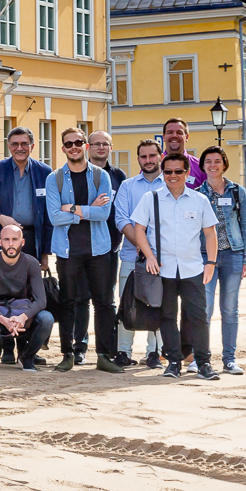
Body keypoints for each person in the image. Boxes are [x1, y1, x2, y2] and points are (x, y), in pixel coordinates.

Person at [125, 153, 220, 381]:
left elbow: (210, 233)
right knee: (167, 317)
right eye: (168, 172)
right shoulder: (152, 198)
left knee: (198, 317)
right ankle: (174, 362)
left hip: (193, 269)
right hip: (163, 270)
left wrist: (211, 263)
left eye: (178, 171)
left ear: (187, 173)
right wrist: (149, 256)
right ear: (163, 173)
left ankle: (204, 362)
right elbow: (139, 229)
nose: (173, 176)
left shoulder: (199, 200)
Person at [45, 127, 121, 374]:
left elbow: (104, 213)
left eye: (79, 142)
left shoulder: (101, 176)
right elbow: (54, 217)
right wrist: (87, 210)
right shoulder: (54, 178)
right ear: (63, 148)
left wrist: (73, 208)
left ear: (85, 145)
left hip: (99, 249)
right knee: (68, 302)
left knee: (104, 303)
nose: (74, 147)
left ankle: (104, 355)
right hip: (68, 251)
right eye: (69, 144)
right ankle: (68, 354)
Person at [197, 146, 246, 375]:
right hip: (205, 257)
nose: (212, 165)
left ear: (224, 164)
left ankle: (229, 358)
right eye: (208, 161)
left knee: (230, 309)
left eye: (217, 161)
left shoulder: (237, 192)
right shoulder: (197, 194)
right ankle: (201, 358)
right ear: (202, 166)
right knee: (204, 308)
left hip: (233, 255)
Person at [113, 139, 165, 368]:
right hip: (130, 255)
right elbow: (121, 219)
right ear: (138, 159)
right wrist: (143, 246)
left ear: (160, 156)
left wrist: (153, 249)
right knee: (127, 302)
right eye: (143, 157)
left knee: (160, 303)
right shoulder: (128, 186)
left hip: (164, 257)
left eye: (152, 156)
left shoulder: (170, 184)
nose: (148, 161)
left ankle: (155, 352)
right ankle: (123, 352)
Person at [77, 130, 126, 365]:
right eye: (95, 144)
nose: (100, 148)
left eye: (105, 144)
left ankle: (107, 350)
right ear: (88, 147)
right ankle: (80, 347)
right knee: (81, 299)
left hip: (110, 247)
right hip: (81, 245)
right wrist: (90, 208)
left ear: (111, 147)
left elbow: (120, 210)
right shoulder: (77, 173)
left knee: (106, 301)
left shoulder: (119, 176)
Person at [0, 223, 53, 371]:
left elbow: (41, 300)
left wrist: (23, 317)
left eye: (15, 239)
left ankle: (27, 356)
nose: (11, 244)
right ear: (0, 242)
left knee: (47, 318)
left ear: (22, 242)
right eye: (6, 239)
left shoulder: (31, 263)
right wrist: (3, 320)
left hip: (22, 314)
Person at [0, 126, 53, 268]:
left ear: (32, 146)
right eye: (15, 144)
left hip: (32, 240)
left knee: (28, 287)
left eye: (24, 144)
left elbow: (48, 215)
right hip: (2, 239)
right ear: (9, 146)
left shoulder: (44, 172)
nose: (19, 148)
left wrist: (45, 253)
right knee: (1, 286)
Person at [160, 117, 205, 188]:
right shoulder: (153, 166)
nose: (174, 135)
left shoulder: (200, 167)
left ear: (186, 137)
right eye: (170, 132)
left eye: (179, 132)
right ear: (163, 137)